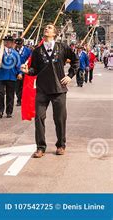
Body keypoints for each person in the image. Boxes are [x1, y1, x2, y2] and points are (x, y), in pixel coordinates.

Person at [22, 23, 79, 158]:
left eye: (49, 27)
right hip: (42, 89)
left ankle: (60, 145)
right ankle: (40, 147)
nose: (46, 29)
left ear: (55, 33)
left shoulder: (62, 47)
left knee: (59, 119)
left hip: (59, 89)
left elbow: (76, 61)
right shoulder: (37, 50)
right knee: (39, 118)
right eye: (45, 27)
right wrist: (27, 71)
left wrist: (70, 76)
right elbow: (34, 69)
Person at [0, 36, 22, 118]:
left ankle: (9, 112)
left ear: (12, 43)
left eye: (9, 41)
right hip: (0, 76)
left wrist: (20, 73)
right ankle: (1, 111)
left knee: (10, 95)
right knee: (1, 94)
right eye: (6, 41)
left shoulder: (15, 53)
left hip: (11, 76)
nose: (7, 43)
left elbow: (18, 64)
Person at [14, 37, 32, 106]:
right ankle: (19, 99)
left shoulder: (28, 50)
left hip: (25, 70)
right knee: (17, 87)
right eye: (17, 44)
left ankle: (24, 99)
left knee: (25, 87)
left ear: (22, 44)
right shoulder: (14, 51)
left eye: (20, 44)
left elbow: (29, 60)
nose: (18, 46)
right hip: (16, 71)